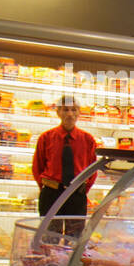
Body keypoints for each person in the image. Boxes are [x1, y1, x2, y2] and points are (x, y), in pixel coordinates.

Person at [32, 96, 98, 232]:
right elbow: (37, 167)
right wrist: (46, 188)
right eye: (65, 110)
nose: (69, 114)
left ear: (79, 112)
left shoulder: (88, 140)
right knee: (49, 235)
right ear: (58, 112)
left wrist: (81, 190)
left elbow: (92, 169)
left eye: (73, 110)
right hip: (51, 193)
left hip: (76, 194)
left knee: (74, 237)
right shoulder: (46, 138)